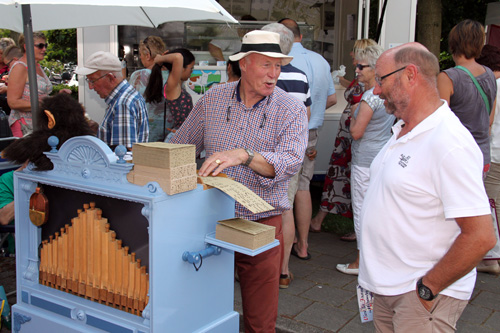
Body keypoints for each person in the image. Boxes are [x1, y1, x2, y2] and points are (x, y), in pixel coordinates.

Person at [171, 30, 308, 332]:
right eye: (266, 65)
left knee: (259, 321)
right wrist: (147, 159)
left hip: (261, 223)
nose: (274, 75)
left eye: (278, 66)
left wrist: (245, 155)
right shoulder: (212, 99)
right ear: (244, 64)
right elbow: (182, 146)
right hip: (209, 222)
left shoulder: (291, 109)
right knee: (201, 310)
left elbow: (289, 162)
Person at [359, 42, 496, 331]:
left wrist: (427, 289)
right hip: (388, 288)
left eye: (381, 79)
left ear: (410, 75)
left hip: (419, 296)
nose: (376, 90)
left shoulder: (448, 143)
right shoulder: (403, 130)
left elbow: (481, 237)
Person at [0, 93, 95, 253]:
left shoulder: (78, 171)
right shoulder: (10, 179)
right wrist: (33, 189)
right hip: (30, 244)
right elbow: (3, 217)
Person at [279, 18, 337, 261]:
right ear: (301, 35)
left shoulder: (281, 62)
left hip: (286, 134)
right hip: (312, 133)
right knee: (303, 187)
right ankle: (302, 245)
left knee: (283, 192)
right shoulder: (321, 61)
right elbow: (331, 99)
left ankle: (284, 245)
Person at [335, 44, 394, 276]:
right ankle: (380, 259)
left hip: (364, 159)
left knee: (362, 210)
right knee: (380, 210)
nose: (356, 70)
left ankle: (361, 261)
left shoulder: (370, 97)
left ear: (374, 68)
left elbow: (357, 133)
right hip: (381, 156)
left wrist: (352, 116)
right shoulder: (385, 93)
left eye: (361, 66)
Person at [260, 22, 311, 289]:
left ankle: (263, 265)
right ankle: (283, 270)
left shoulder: (260, 74)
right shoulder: (301, 76)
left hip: (264, 154)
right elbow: (306, 115)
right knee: (285, 207)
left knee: (269, 209)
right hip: (289, 151)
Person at [311, 39, 377, 240]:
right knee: (341, 176)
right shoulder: (363, 81)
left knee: (344, 177)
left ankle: (352, 227)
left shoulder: (369, 87)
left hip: (354, 133)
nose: (351, 56)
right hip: (348, 133)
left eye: (355, 53)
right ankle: (327, 219)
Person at [438, 19, 496, 171]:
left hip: (457, 155)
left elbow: (439, 122)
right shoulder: (489, 73)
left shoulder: (447, 77)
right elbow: (489, 120)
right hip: (482, 155)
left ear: (453, 43)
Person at [75, 51, 149, 150]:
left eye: (92, 80)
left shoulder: (123, 104)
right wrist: (99, 130)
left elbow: (123, 156)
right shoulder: (123, 98)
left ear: (110, 78)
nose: (90, 86)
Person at [477, 44, 500, 275]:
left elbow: (489, 121)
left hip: (495, 151)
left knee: (492, 204)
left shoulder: (492, 85)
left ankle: (491, 258)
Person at [7, 32, 52, 137]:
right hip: (24, 126)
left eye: (45, 45)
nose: (44, 49)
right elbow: (13, 102)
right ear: (26, 47)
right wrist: (42, 103)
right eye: (40, 46)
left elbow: (42, 94)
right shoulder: (20, 67)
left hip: (39, 123)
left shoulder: (37, 66)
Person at [145, 48, 195, 142]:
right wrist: (160, 58)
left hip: (181, 136)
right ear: (181, 68)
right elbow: (178, 57)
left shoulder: (178, 86)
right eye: (191, 68)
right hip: (177, 139)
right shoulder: (172, 86)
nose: (191, 72)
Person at [129, 36, 169, 142]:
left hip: (144, 133)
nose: (140, 58)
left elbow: (130, 104)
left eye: (141, 55)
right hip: (168, 134)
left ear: (147, 56)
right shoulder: (172, 77)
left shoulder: (137, 76)